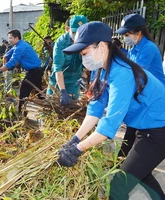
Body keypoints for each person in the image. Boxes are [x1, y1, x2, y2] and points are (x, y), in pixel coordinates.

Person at [57, 21, 165, 199]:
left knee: (118, 186)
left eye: (85, 53)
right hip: (146, 127)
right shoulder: (102, 68)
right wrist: (75, 139)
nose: (84, 59)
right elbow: (96, 108)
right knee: (140, 173)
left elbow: (109, 125)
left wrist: (78, 149)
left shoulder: (121, 73)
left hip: (158, 130)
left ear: (101, 46)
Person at [115, 13, 165, 157]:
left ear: (138, 32)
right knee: (131, 128)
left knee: (133, 129)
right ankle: (122, 159)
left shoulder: (149, 48)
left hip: (155, 97)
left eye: (127, 33)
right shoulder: (133, 50)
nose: (125, 37)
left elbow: (134, 73)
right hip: (143, 93)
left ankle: (123, 161)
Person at [0, 29, 43, 114]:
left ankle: (21, 113)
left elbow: (12, 61)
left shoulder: (20, 47)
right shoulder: (17, 45)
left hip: (34, 71)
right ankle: (49, 109)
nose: (9, 40)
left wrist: (0, 70)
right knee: (39, 92)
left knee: (24, 91)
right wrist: (3, 68)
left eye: (10, 38)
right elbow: (6, 56)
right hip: (34, 71)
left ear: (16, 38)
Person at [47, 15, 88, 105]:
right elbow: (58, 67)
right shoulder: (61, 43)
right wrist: (63, 91)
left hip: (74, 83)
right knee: (50, 109)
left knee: (71, 111)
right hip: (57, 82)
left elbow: (87, 64)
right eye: (74, 32)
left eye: (80, 33)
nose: (77, 36)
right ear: (67, 28)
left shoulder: (87, 42)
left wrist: (83, 77)